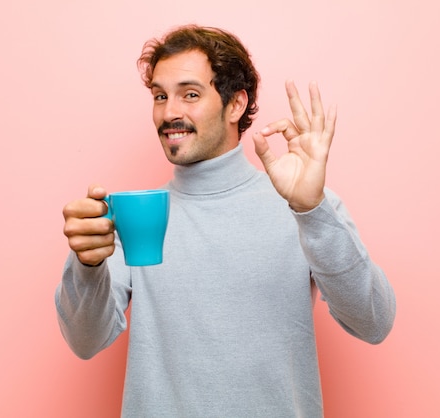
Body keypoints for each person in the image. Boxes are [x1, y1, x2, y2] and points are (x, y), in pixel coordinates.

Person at [56, 24, 396, 417]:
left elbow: (375, 322)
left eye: (191, 94)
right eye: (160, 96)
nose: (169, 113)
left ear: (235, 104)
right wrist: (87, 264)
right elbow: (85, 341)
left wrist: (313, 211)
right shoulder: (134, 217)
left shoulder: (304, 203)